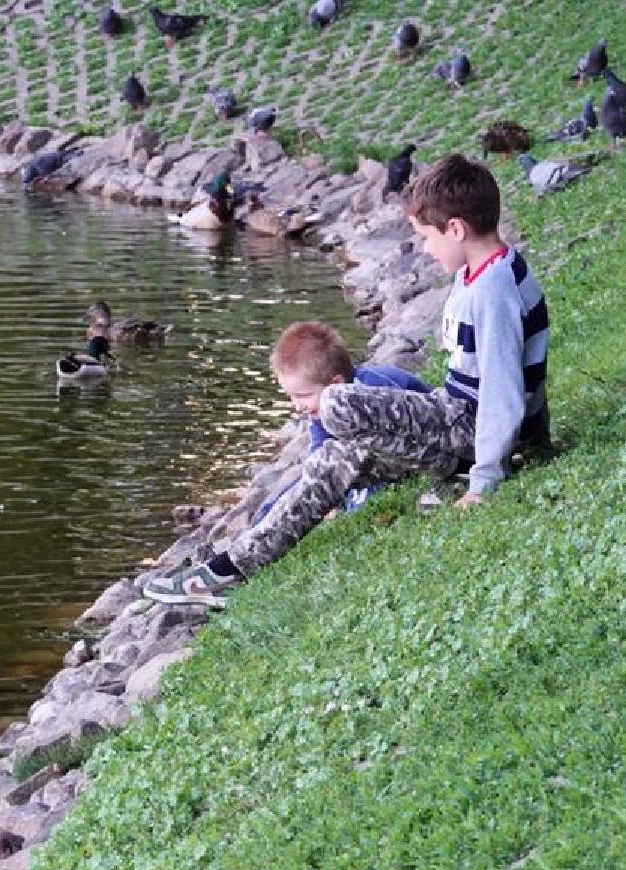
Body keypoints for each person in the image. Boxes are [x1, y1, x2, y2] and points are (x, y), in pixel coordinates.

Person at [146, 155, 548, 608]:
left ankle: (224, 572)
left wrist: (486, 479)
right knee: (339, 456)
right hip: (461, 424)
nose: (426, 250)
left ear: (456, 229)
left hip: (469, 430)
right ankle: (229, 570)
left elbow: (506, 391)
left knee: (336, 404)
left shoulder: (492, 292)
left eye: (426, 238)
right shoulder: (484, 273)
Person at [252, 323, 430, 522]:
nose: (297, 406)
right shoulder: (319, 413)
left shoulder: (376, 389)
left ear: (336, 385)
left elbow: (416, 431)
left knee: (365, 496)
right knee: (291, 492)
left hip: (402, 453)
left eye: (303, 395)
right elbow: (320, 456)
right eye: (291, 397)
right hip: (362, 459)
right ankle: (260, 525)